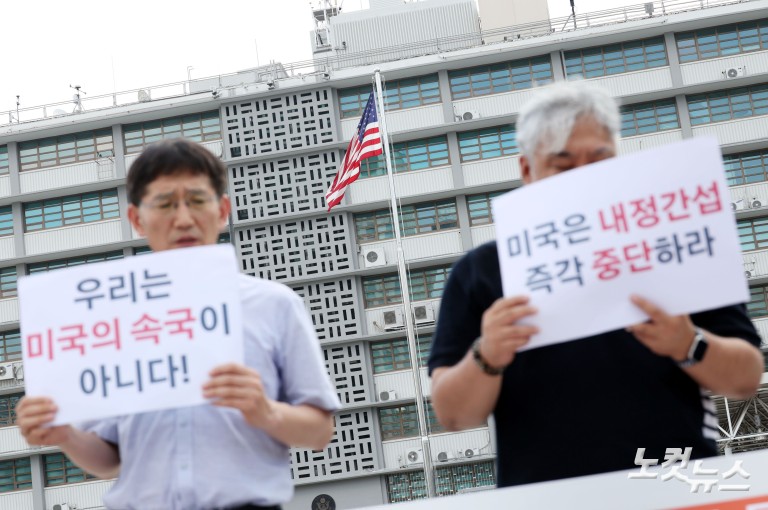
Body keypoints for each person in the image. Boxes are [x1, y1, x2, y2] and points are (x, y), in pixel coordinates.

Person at [428, 83, 764, 488]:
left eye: (599, 159)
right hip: (546, 497)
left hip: (675, 489)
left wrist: (688, 343)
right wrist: (487, 356)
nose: (583, 177)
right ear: (527, 170)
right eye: (564, 165)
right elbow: (453, 415)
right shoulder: (480, 272)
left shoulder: (671, 245)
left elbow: (745, 376)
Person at [16, 139, 341, 510]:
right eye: (166, 204)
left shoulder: (274, 306)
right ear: (137, 219)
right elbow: (108, 460)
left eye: (197, 201)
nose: (184, 218)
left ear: (222, 211)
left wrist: (264, 410)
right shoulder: (111, 322)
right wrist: (65, 434)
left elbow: (319, 432)